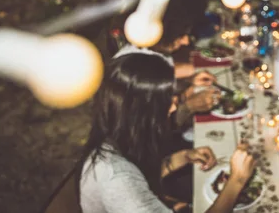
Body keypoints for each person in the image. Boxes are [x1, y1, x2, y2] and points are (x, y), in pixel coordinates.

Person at [79, 52, 256, 213]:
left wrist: (183, 157)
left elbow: (141, 174)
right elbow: (129, 181)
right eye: (165, 100)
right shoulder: (116, 179)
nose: (173, 107)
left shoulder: (114, 135)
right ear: (140, 110)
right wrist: (237, 180)